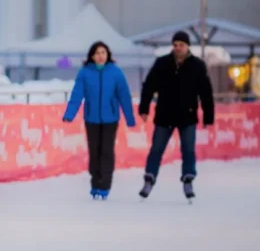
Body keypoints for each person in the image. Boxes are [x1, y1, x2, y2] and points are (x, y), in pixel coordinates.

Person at [138, 31, 214, 201]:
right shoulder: (162, 63)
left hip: (187, 116)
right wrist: (144, 108)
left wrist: (208, 115)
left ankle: (188, 179)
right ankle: (149, 178)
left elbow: (206, 92)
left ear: (187, 46)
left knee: (188, 150)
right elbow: (149, 86)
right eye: (175, 45)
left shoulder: (197, 66)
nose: (178, 48)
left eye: (181, 45)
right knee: (156, 149)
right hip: (165, 114)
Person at [62, 41, 136, 200]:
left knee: (107, 152)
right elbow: (77, 94)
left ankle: (105, 184)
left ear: (108, 54)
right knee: (94, 151)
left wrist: (130, 118)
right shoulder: (85, 73)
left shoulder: (116, 72)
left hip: (110, 118)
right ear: (92, 56)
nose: (100, 56)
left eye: (103, 52)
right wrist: (70, 114)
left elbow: (124, 96)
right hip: (91, 118)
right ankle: (95, 182)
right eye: (97, 53)